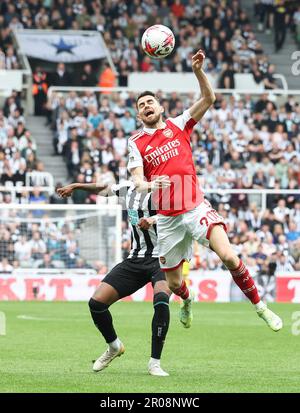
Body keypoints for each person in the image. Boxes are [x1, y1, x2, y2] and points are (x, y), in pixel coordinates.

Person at [127, 49, 282, 332]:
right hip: (168, 218)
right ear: (138, 114)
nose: (147, 105)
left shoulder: (179, 124)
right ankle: (188, 300)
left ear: (160, 107)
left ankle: (261, 308)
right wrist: (150, 185)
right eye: (141, 104)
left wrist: (198, 71)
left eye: (151, 101)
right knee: (174, 284)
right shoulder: (136, 142)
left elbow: (209, 99)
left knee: (229, 256)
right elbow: (137, 180)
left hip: (195, 207)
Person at [57, 180, 172, 376]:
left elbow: (182, 216)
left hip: (164, 257)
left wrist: (154, 220)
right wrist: (76, 186)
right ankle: (114, 346)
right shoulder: (129, 188)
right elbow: (102, 188)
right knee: (96, 303)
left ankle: (155, 363)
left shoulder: (166, 187)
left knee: (161, 300)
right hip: (136, 258)